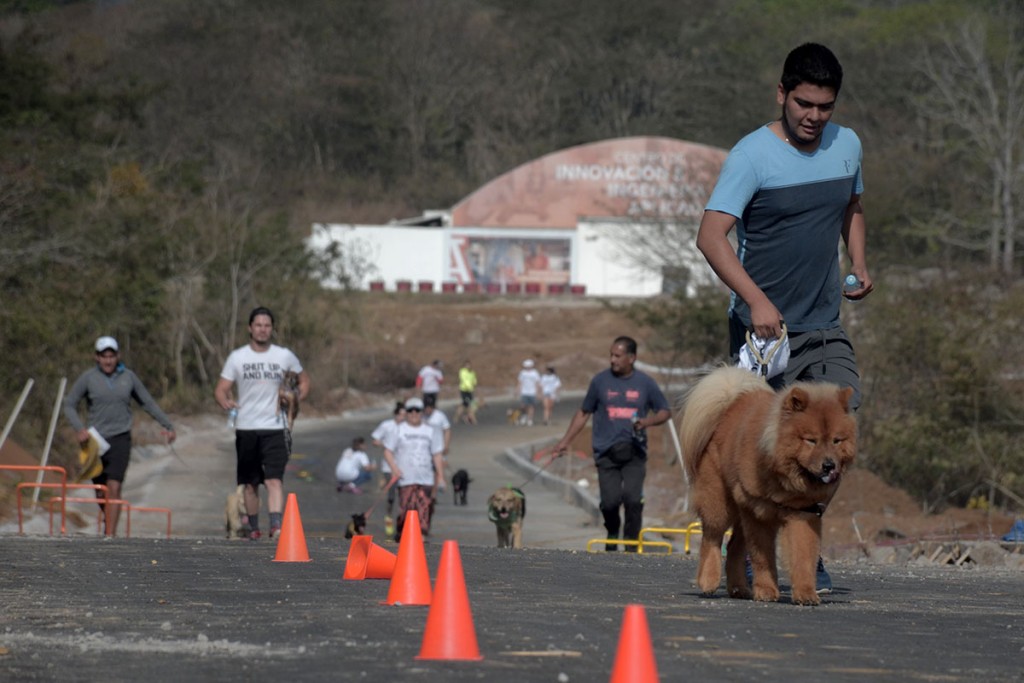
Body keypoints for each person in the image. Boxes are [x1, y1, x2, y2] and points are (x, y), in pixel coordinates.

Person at [695, 43, 874, 592]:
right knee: (763, 446)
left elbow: (852, 207)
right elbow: (710, 235)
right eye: (803, 104)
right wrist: (755, 299)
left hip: (823, 324)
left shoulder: (848, 146)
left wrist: (859, 262)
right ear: (781, 94)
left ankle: (806, 536)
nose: (813, 116)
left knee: (837, 427)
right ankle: (751, 548)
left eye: (824, 106)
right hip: (764, 333)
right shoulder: (751, 156)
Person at [553, 337, 670, 551]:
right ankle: (613, 531)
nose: (612, 360)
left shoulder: (645, 383)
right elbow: (583, 413)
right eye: (611, 355)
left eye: (617, 356)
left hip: (635, 452)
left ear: (631, 358)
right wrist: (564, 442)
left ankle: (631, 545)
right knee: (610, 503)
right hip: (606, 452)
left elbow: (664, 411)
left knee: (633, 500)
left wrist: (647, 422)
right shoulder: (600, 382)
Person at [63, 336, 176, 536]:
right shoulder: (88, 378)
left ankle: (111, 537)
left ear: (118, 356)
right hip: (95, 442)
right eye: (103, 356)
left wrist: (167, 424)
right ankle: (109, 519)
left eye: (111, 356)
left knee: (114, 488)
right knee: (100, 491)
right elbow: (69, 403)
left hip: (120, 439)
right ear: (96, 357)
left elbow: (147, 402)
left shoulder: (129, 377)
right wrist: (79, 428)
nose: (108, 361)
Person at [215, 306, 310, 541]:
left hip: (276, 427)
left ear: (272, 329)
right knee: (250, 484)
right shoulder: (238, 357)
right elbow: (221, 389)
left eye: (267, 325)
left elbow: (304, 381)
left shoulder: (284, 356)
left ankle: (276, 527)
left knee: (274, 479)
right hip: (247, 427)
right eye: (258, 325)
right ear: (250, 328)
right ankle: (254, 527)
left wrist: (295, 398)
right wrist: (225, 402)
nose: (262, 329)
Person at [382, 397, 445, 541]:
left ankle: (421, 537)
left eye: (417, 410)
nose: (414, 413)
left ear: (422, 412)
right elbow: (387, 451)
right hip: (405, 478)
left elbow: (437, 454)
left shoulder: (431, 430)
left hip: (425, 477)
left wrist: (440, 476)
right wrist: (394, 469)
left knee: (424, 508)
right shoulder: (398, 430)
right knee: (406, 509)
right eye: (410, 410)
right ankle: (404, 535)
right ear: (406, 413)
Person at [371, 401, 405, 532]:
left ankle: (402, 522)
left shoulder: (407, 427)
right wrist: (386, 445)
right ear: (396, 415)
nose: (404, 417)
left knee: (404, 495)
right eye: (401, 415)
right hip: (388, 466)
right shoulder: (386, 425)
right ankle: (389, 518)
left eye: (405, 415)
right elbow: (375, 440)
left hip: (403, 466)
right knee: (391, 496)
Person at [515, 359, 541, 426]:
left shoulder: (535, 373)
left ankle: (530, 419)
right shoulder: (522, 373)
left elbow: (537, 383)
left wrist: (538, 393)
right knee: (523, 406)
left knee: (532, 406)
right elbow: (520, 382)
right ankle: (524, 416)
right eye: (526, 366)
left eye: (529, 366)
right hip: (524, 392)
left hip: (532, 392)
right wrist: (517, 391)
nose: (527, 367)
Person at [454, 360, 479, 425]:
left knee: (465, 405)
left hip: (470, 391)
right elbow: (464, 380)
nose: (468, 366)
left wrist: (474, 384)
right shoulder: (462, 372)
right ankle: (473, 419)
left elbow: (474, 380)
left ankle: (458, 417)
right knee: (470, 405)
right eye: (467, 365)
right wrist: (470, 386)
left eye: (469, 365)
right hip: (464, 390)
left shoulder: (472, 372)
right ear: (465, 366)